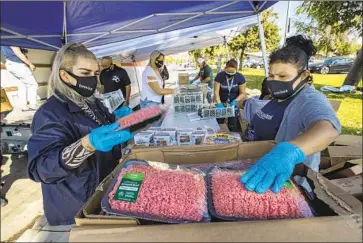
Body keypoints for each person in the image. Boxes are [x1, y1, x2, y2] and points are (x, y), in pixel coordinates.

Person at [27, 43, 134, 226]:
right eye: (85, 74)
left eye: (95, 74)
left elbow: (105, 131)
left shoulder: (93, 103)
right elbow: (41, 169)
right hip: (75, 208)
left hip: (101, 195)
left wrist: (117, 120)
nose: (92, 80)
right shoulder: (49, 113)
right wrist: (86, 145)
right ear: (65, 75)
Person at [240, 35, 341, 194]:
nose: (274, 81)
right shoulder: (280, 96)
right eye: (271, 76)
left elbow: (328, 129)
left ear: (304, 75)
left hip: (287, 184)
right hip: (259, 171)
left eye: (283, 76)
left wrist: (289, 152)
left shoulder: (309, 98)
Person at [1, 46, 38, 111]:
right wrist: (30, 64)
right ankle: (32, 106)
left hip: (10, 63)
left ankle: (24, 106)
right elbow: (18, 53)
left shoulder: (5, 39)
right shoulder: (12, 39)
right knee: (33, 84)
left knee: (23, 85)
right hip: (17, 64)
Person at [214, 59, 247, 132]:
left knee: (232, 125)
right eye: (228, 71)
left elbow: (243, 93)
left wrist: (236, 100)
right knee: (218, 123)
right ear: (225, 68)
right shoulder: (220, 76)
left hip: (233, 104)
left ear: (236, 70)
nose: (230, 74)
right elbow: (216, 92)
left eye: (232, 72)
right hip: (221, 102)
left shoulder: (240, 77)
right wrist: (219, 103)